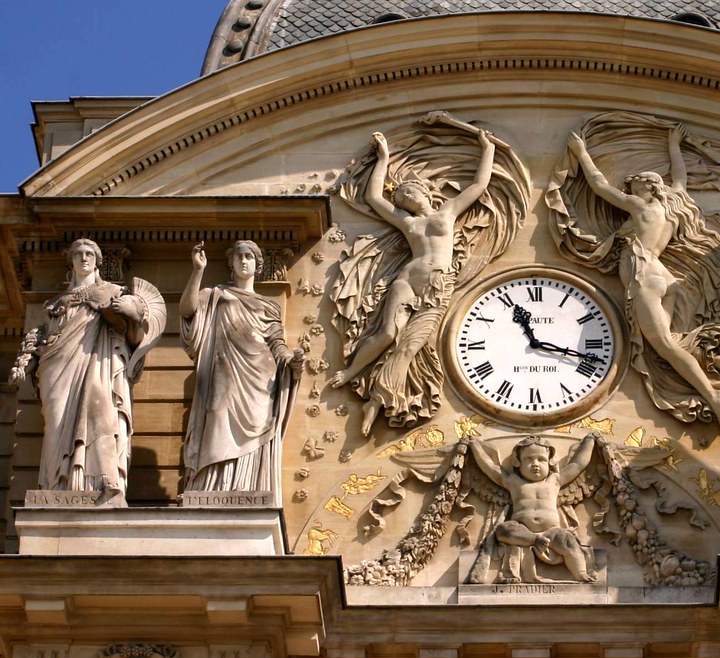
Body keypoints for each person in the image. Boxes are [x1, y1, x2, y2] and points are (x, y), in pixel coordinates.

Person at [567, 126, 720, 428]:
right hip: (664, 277)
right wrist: (674, 144)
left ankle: (711, 396)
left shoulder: (641, 208)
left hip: (644, 273)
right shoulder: (673, 204)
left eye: (634, 186)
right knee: (669, 342)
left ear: (647, 189)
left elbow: (600, 186)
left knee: (664, 346)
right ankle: (713, 363)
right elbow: (680, 178)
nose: (629, 190)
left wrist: (581, 153)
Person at [329, 129, 495, 435]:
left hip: (437, 286)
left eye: (408, 193)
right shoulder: (408, 222)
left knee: (409, 346)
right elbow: (374, 197)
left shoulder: (448, 212)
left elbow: (479, 184)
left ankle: (377, 401)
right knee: (388, 333)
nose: (405, 200)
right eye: (402, 199)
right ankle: (353, 371)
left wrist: (487, 147)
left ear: (424, 192)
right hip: (408, 279)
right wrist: (383, 158)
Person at [9, 238, 165, 505]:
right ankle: (58, 486)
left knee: (101, 414)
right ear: (70, 260)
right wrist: (25, 364)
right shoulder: (55, 303)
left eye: (89, 253)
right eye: (78, 253)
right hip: (56, 370)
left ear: (98, 260)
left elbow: (136, 338)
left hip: (98, 366)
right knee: (56, 425)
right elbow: (40, 339)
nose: (84, 258)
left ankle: (101, 482)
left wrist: (134, 314)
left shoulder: (113, 293)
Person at [180, 240, 302, 504]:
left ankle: (247, 487)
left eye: (249, 257)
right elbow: (187, 311)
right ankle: (211, 489)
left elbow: (277, 344)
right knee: (217, 418)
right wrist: (198, 271)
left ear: (258, 265)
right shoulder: (215, 294)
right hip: (223, 371)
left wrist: (292, 361)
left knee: (257, 429)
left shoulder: (270, 307)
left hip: (260, 376)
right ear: (231, 264)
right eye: (239, 257)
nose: (244, 261)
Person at [469, 434, 598, 583]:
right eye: (528, 459)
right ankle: (534, 539)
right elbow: (489, 467)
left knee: (568, 541)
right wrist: (475, 446)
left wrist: (589, 442)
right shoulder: (513, 481)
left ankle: (581, 573)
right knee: (504, 530)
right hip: (522, 528)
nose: (535, 464)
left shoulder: (554, 480)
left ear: (549, 462)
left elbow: (578, 465)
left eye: (541, 459)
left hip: (551, 531)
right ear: (518, 462)